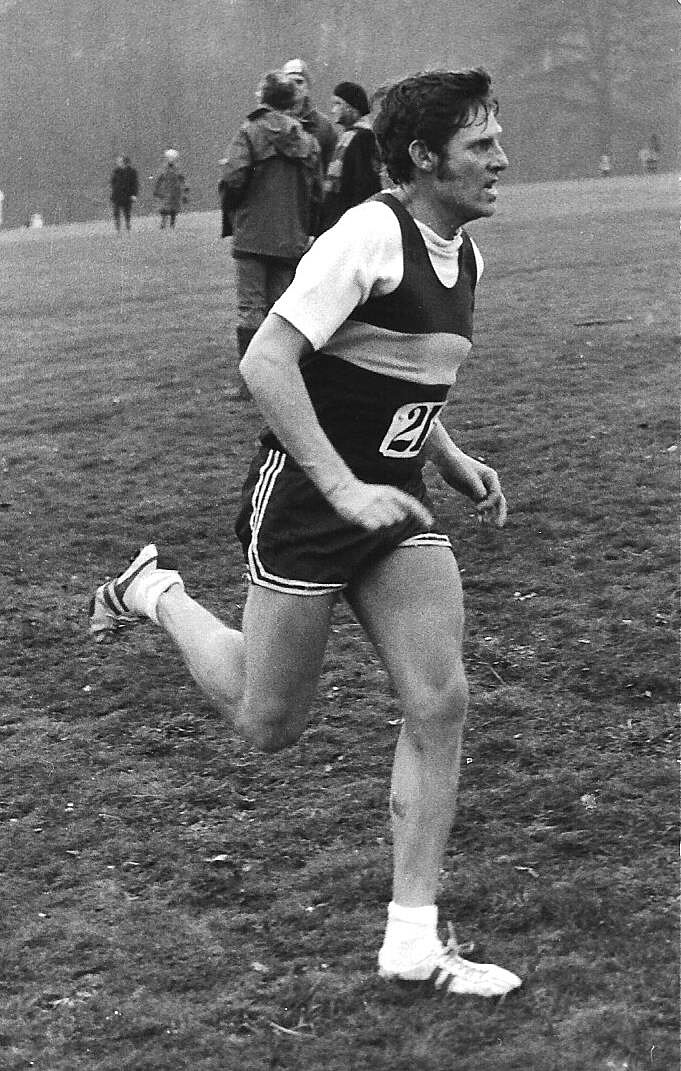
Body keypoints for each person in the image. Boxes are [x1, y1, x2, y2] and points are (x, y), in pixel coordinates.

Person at [89, 67, 521, 998]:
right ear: (422, 157)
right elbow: (268, 360)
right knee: (266, 720)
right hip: (307, 501)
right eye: (480, 144)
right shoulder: (370, 231)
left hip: (394, 504)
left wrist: (447, 456)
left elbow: (398, 371)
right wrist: (339, 483)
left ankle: (411, 939)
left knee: (439, 702)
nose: (500, 160)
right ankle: (153, 590)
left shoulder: (465, 254)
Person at [219, 71, 322, 378]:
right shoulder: (308, 141)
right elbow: (316, 192)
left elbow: (233, 178)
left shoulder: (249, 132)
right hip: (291, 236)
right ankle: (282, 375)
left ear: (263, 98)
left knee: (250, 308)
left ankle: (250, 379)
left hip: (252, 234)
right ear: (291, 101)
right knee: (282, 310)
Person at [319, 81, 382, 232]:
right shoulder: (349, 136)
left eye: (337, 104)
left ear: (350, 107)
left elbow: (364, 186)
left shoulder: (362, 138)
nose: (333, 110)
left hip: (349, 225)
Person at [282, 58, 337, 173]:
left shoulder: (324, 127)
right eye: (289, 82)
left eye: (299, 82)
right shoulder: (269, 122)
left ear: (308, 87)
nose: (294, 87)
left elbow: (330, 171)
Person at [153, 149, 189, 229]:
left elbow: (182, 179)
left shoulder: (177, 168)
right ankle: (163, 223)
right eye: (169, 157)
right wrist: (157, 189)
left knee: (173, 209)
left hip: (175, 191)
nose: (171, 159)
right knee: (164, 208)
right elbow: (159, 179)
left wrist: (185, 189)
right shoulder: (163, 168)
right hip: (165, 191)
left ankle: (172, 224)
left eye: (172, 158)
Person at [110, 154, 139, 232]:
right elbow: (113, 182)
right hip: (117, 195)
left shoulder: (132, 171)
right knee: (116, 212)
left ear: (124, 162)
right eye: (118, 161)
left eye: (120, 161)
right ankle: (118, 228)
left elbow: (135, 184)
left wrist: (134, 194)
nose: (118, 163)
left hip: (127, 195)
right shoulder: (116, 171)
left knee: (127, 213)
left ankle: (128, 226)